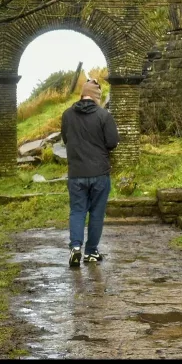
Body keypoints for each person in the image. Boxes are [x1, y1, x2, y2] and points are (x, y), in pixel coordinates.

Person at [60, 79, 118, 267]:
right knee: (96, 213)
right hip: (99, 173)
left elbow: (65, 139)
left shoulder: (67, 115)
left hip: (76, 173)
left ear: (82, 94)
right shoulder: (104, 115)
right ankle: (91, 252)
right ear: (96, 97)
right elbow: (112, 143)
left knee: (77, 211)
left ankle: (75, 248)